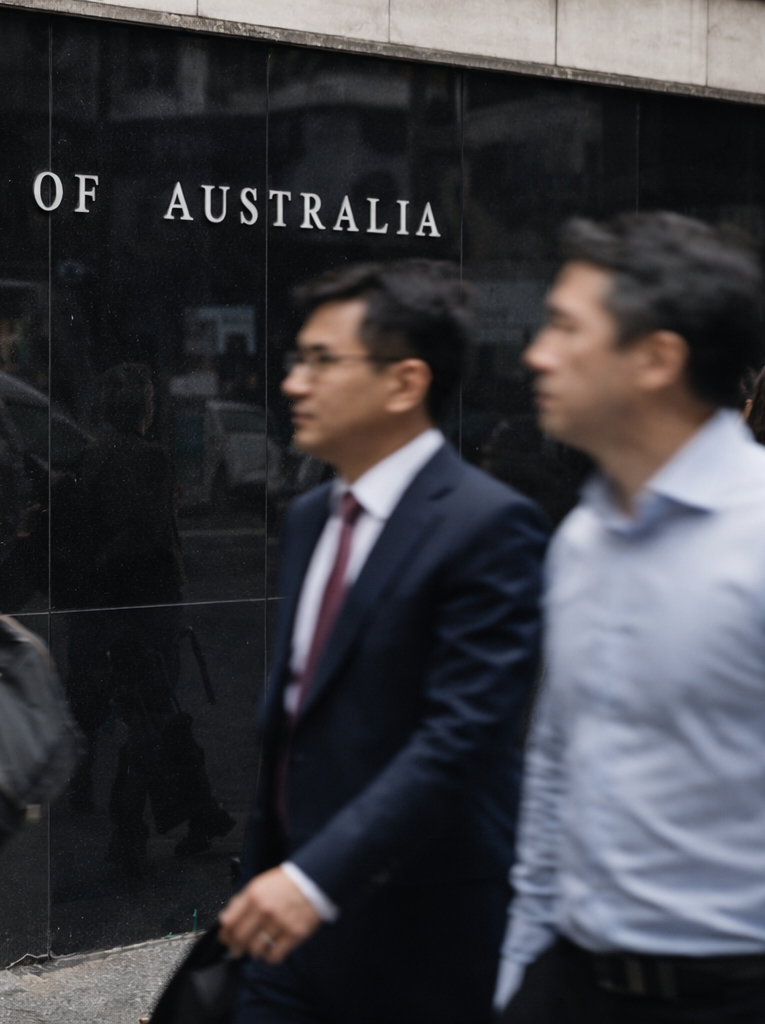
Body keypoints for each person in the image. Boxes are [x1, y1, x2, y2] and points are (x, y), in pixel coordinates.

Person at [218, 261, 548, 1023]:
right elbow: (295, 720)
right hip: (286, 935)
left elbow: (459, 742)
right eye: (297, 359)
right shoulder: (309, 519)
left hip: (422, 937)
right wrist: (265, 874)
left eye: (322, 360)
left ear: (405, 383)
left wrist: (311, 882)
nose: (294, 383)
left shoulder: (489, 526)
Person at [499, 213, 765, 1022]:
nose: (537, 354)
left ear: (656, 358)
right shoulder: (584, 539)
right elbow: (555, 765)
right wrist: (519, 969)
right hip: (571, 985)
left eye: (567, 328)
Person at [54, 363, 233, 873]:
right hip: (148, 603)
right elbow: (153, 533)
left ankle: (198, 812)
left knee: (146, 713)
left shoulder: (88, 459)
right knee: (155, 715)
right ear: (146, 409)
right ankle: (137, 827)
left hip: (101, 606)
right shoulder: (152, 458)